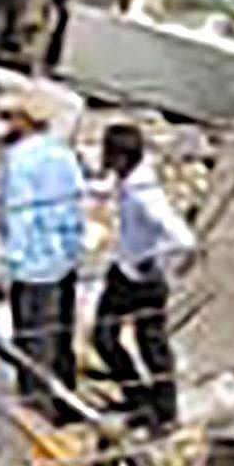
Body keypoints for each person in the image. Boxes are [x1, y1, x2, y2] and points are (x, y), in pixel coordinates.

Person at [90, 124, 192, 432]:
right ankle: (147, 402)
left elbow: (183, 238)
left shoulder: (144, 195)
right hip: (126, 268)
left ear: (121, 157)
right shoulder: (130, 179)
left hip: (138, 277)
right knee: (132, 341)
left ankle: (158, 409)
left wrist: (157, 260)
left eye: (107, 152)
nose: (103, 158)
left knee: (128, 341)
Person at [0, 103, 89, 415]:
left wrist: (11, 263)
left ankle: (37, 411)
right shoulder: (63, 153)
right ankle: (68, 400)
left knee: (32, 340)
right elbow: (77, 200)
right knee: (61, 333)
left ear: (25, 120)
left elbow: (19, 213)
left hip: (33, 265)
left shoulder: (19, 159)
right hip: (64, 258)